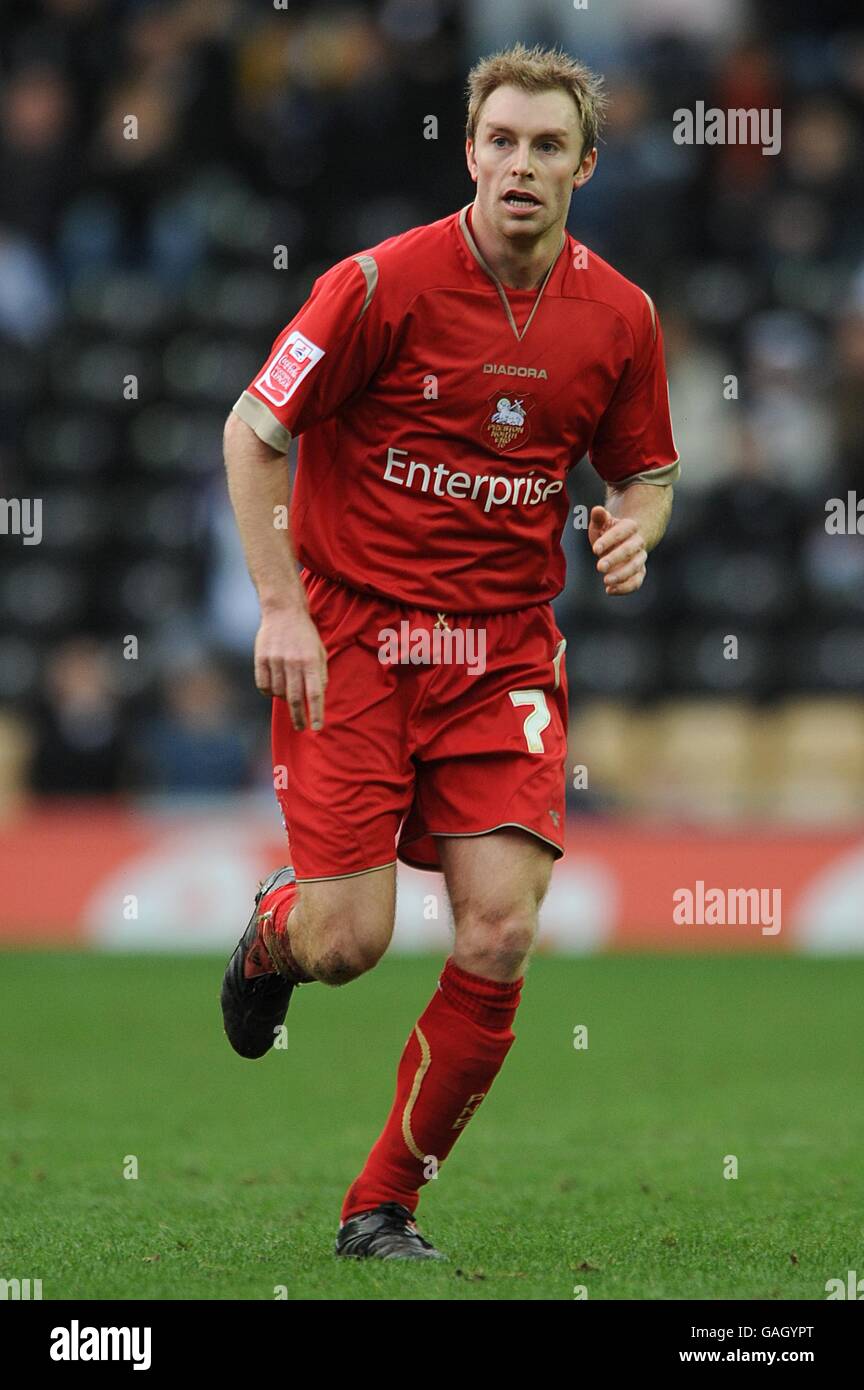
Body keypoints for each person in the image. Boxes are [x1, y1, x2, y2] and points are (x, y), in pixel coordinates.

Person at [220, 42, 679, 1261]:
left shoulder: (621, 316)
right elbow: (256, 428)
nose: (520, 165)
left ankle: (382, 1207)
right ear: (469, 150)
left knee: (500, 930)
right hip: (359, 640)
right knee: (349, 943)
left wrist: (638, 525)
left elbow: (649, 466)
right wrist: (280, 605)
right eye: (501, 141)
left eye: (547, 146)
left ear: (587, 163)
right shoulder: (376, 285)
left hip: (503, 655)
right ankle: (276, 929)